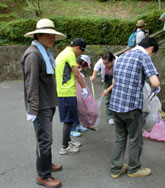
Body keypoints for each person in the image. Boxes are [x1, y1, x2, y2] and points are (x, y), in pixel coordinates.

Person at [21, 18, 66, 188]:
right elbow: (30, 84)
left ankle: (47, 164)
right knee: (44, 140)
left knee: (46, 138)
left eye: (53, 35)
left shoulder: (44, 51)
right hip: (40, 106)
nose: (52, 38)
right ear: (38, 35)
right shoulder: (33, 54)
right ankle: (43, 175)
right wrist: (32, 109)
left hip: (47, 103)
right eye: (48, 35)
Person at [109, 37, 160, 178]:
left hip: (115, 104)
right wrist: (157, 87)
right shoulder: (143, 56)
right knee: (135, 138)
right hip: (131, 107)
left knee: (120, 137)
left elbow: (114, 80)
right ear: (151, 48)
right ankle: (134, 168)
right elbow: (155, 82)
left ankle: (115, 169)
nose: (151, 56)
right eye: (153, 53)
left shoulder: (123, 55)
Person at [55, 38, 88, 155]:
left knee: (69, 119)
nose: (80, 54)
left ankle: (68, 142)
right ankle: (64, 147)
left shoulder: (63, 53)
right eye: (81, 51)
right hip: (66, 92)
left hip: (63, 91)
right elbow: (76, 73)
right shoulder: (70, 55)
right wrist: (84, 87)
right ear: (78, 48)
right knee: (68, 121)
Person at [90, 51, 118, 125]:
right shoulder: (102, 60)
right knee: (108, 99)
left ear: (112, 61)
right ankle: (110, 116)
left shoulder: (118, 63)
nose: (104, 65)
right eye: (103, 63)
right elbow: (96, 67)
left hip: (116, 79)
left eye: (106, 63)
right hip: (106, 78)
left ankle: (117, 115)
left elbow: (115, 82)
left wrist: (107, 90)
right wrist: (93, 76)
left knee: (116, 97)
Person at [70, 55, 91, 137]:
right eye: (85, 66)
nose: (85, 68)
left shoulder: (78, 70)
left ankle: (78, 125)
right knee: (74, 111)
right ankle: (72, 129)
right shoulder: (74, 69)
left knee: (78, 110)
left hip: (78, 94)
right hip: (71, 93)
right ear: (82, 63)